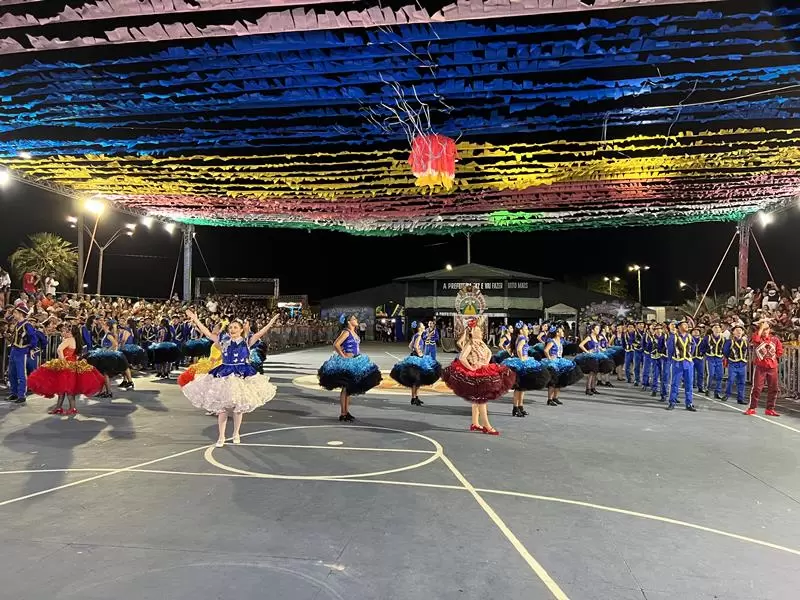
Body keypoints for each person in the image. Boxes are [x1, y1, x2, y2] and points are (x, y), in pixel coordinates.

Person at [182, 310, 279, 447]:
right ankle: (221, 436)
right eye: (231, 327)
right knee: (222, 408)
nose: (232, 329)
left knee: (238, 407)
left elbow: (260, 333)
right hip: (225, 373)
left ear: (241, 330)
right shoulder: (223, 340)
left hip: (241, 374)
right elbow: (208, 333)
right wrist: (196, 319)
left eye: (235, 327)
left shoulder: (247, 341)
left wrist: (271, 322)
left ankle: (236, 433)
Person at [441, 319, 516, 435]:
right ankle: (487, 426)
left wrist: (485, 362)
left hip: (484, 372)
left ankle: (475, 423)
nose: (481, 332)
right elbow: (462, 358)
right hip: (476, 374)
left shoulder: (481, 342)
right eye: (478, 330)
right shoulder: (470, 344)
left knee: (478, 399)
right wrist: (471, 368)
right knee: (481, 399)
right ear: (473, 332)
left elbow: (489, 353)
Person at [28, 323, 105, 415]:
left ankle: (69, 408)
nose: (63, 333)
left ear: (70, 332)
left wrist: (62, 361)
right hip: (72, 365)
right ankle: (62, 407)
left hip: (66, 366)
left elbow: (59, 349)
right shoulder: (75, 340)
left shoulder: (68, 340)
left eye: (65, 331)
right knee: (66, 389)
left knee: (66, 389)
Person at [318, 315, 382, 422]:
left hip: (355, 360)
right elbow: (336, 344)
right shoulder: (346, 332)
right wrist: (343, 356)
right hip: (348, 362)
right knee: (345, 388)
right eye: (354, 319)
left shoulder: (354, 332)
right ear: (349, 321)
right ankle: (343, 413)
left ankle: (346, 412)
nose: (356, 320)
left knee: (349, 389)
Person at [502, 321, 550, 417]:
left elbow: (508, 347)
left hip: (519, 362)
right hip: (522, 363)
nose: (528, 330)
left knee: (522, 387)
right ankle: (516, 408)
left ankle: (520, 407)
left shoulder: (518, 337)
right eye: (526, 329)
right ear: (521, 330)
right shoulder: (522, 338)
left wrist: (513, 355)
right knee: (519, 388)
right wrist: (522, 359)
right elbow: (519, 349)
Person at [390, 321, 441, 407]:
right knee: (416, 380)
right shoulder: (419, 335)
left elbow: (410, 346)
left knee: (418, 380)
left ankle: (416, 397)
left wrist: (416, 351)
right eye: (422, 325)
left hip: (414, 357)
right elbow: (416, 346)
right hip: (417, 358)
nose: (424, 326)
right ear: (419, 328)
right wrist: (420, 354)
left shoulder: (416, 335)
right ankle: (414, 398)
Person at [745, 319, 784, 417]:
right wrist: (761, 328)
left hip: (772, 367)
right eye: (763, 329)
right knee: (757, 388)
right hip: (760, 367)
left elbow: (780, 351)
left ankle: (770, 409)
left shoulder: (775, 339)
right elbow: (756, 339)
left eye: (767, 329)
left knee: (774, 388)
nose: (765, 331)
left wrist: (772, 358)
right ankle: (752, 408)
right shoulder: (757, 338)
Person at [86, 320, 130, 399]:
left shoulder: (109, 334)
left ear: (107, 326)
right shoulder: (107, 334)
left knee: (104, 373)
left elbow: (115, 344)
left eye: (104, 325)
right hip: (105, 355)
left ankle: (108, 392)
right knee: (103, 374)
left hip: (106, 356)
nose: (102, 326)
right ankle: (105, 391)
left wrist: (107, 351)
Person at [542, 325, 582, 406]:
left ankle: (555, 397)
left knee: (559, 381)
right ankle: (550, 399)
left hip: (560, 361)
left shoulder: (560, 341)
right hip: (554, 362)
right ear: (557, 333)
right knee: (553, 381)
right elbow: (546, 350)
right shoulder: (552, 341)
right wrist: (550, 358)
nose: (563, 333)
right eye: (561, 331)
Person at [6, 304, 37, 403]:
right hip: (14, 350)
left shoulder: (27, 325)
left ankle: (21, 395)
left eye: (15, 313)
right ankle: (14, 393)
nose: (14, 314)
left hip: (21, 351)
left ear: (21, 314)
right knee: (11, 373)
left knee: (21, 374)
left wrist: (30, 348)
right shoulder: (17, 324)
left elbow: (34, 339)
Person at [666, 320, 697, 412]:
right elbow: (670, 349)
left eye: (687, 324)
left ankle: (689, 403)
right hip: (678, 362)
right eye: (684, 325)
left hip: (688, 362)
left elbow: (693, 346)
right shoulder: (673, 336)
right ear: (679, 327)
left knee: (689, 384)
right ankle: (672, 402)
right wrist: (672, 360)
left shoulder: (690, 336)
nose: (686, 326)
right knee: (675, 383)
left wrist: (689, 356)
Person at [723, 325, 748, 405]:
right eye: (736, 330)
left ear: (743, 332)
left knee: (742, 382)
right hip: (733, 363)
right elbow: (725, 351)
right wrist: (730, 358)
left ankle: (740, 398)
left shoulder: (745, 341)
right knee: (730, 380)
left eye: (740, 330)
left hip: (742, 364)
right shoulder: (729, 341)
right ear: (733, 332)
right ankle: (727, 394)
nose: (739, 331)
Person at [700, 323, 725, 399]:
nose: (717, 329)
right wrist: (704, 353)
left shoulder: (723, 338)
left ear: (721, 329)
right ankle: (708, 388)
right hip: (710, 358)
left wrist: (724, 355)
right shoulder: (707, 337)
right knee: (711, 374)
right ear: (712, 329)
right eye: (715, 327)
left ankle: (717, 392)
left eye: (718, 327)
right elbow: (702, 347)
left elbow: (725, 348)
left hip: (719, 358)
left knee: (720, 375)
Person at [576, 323, 602, 396]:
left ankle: (593, 388)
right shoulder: (589, 337)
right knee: (591, 373)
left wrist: (602, 349)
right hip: (591, 357)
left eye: (598, 329)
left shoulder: (597, 337)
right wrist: (587, 352)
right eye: (596, 329)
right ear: (592, 330)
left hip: (597, 356)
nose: (598, 330)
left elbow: (597, 346)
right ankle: (588, 388)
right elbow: (581, 345)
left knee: (595, 373)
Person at [690, 327, 706, 395]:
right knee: (691, 373)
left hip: (700, 358)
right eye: (694, 331)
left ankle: (700, 387)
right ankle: (691, 385)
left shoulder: (702, 340)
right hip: (691, 358)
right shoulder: (689, 339)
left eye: (697, 331)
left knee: (701, 373)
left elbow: (705, 347)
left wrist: (702, 352)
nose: (696, 332)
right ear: (691, 333)